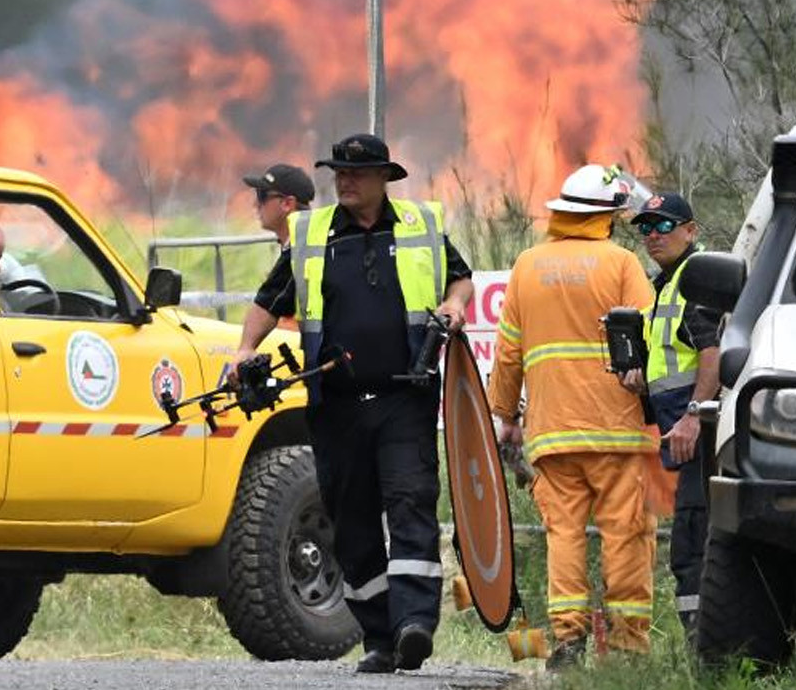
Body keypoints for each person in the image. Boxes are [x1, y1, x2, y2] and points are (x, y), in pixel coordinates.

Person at [235, 134, 474, 674]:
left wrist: (454, 306)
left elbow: (460, 278)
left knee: (411, 503)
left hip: (404, 397)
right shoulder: (311, 235)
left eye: (355, 173)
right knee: (353, 522)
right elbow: (267, 302)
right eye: (337, 172)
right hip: (336, 405)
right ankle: (380, 637)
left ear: (384, 178)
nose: (343, 180)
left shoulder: (421, 226)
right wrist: (245, 349)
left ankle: (414, 623)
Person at [487, 164, 658, 669]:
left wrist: (505, 416)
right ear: (606, 215)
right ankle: (628, 646)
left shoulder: (527, 266)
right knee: (625, 533)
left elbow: (509, 353)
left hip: (552, 432)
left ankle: (568, 641)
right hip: (617, 430)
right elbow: (648, 343)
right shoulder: (622, 264)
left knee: (563, 536)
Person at [618, 192, 720, 640]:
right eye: (644, 228)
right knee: (693, 543)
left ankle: (708, 653)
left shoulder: (694, 281)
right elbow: (676, 360)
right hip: (686, 435)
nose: (652, 236)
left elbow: (712, 353)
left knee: (692, 547)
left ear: (691, 230)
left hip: (705, 435)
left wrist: (695, 414)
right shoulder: (666, 283)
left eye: (663, 226)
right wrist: (642, 379)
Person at [242, 162, 315, 247]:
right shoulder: (298, 247)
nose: (256, 204)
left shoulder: (308, 251)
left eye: (262, 195)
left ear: (287, 204)